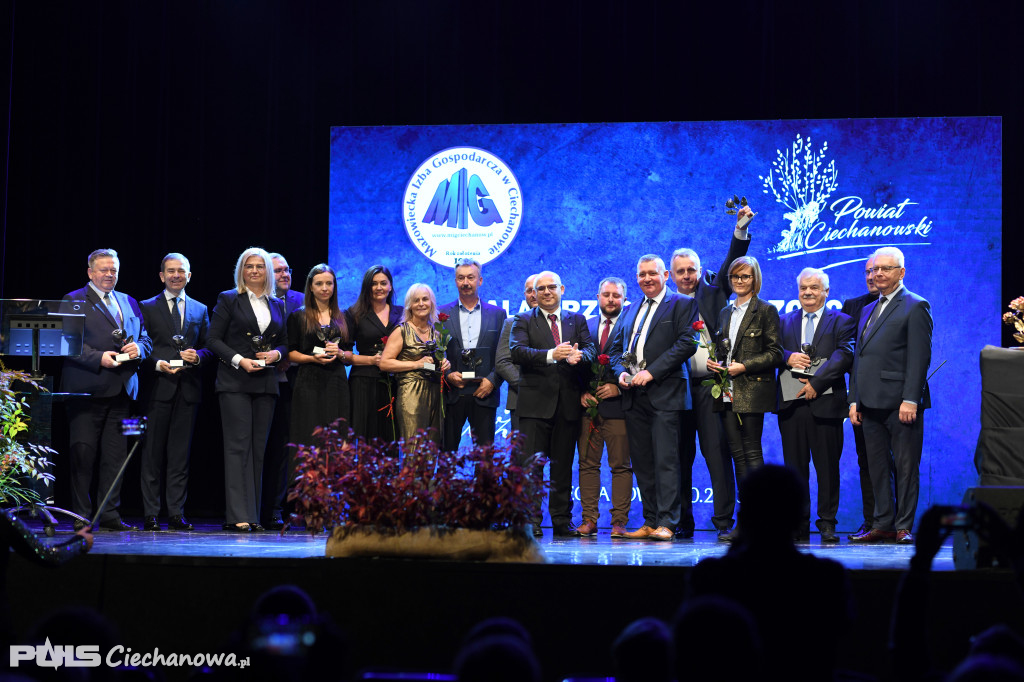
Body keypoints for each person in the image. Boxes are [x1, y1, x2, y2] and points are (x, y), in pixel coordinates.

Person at [688, 465, 853, 682]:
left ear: (743, 516)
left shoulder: (711, 577)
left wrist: (736, 550)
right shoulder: (827, 578)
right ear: (799, 517)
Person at [670, 204, 753, 540]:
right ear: (671, 275)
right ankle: (681, 521)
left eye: (692, 269)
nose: (687, 275)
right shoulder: (663, 303)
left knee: (716, 455)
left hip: (709, 387)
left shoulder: (715, 289)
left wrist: (740, 230)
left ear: (700, 270)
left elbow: (733, 259)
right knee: (678, 457)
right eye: (681, 271)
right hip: (674, 388)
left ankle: (723, 523)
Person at [61, 248, 152, 531]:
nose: (109, 275)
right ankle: (81, 517)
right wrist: (98, 358)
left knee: (116, 458)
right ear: (90, 272)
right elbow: (66, 342)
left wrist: (140, 347)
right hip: (86, 392)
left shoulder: (129, 301)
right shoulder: (73, 300)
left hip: (124, 392)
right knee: (83, 456)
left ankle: (110, 514)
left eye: (113, 270)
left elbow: (146, 339)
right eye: (103, 270)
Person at [608, 255, 698, 541]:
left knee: (666, 461)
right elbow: (614, 350)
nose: (646, 278)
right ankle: (650, 521)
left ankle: (668, 523)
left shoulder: (683, 304)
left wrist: (653, 372)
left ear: (666, 276)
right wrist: (621, 373)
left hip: (666, 393)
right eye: (641, 274)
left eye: (652, 273)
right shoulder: (630, 308)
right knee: (643, 462)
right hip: (634, 396)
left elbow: (687, 343)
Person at [849, 246, 933, 544]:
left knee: (906, 466)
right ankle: (882, 522)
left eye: (884, 268)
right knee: (877, 467)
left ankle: (903, 526)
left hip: (901, 403)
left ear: (901, 272)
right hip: (868, 403)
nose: (877, 274)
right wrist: (854, 399)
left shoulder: (915, 305)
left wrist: (911, 398)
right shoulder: (867, 309)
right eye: (873, 270)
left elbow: (919, 358)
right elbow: (859, 357)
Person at [207, 247, 288, 532]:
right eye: (248, 266)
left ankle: (253, 515)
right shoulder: (229, 299)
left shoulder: (277, 304)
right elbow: (213, 340)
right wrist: (240, 360)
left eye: (259, 266)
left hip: (266, 384)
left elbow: (285, 343)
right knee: (238, 447)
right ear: (241, 270)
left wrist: (276, 355)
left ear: (267, 270)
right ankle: (237, 515)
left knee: (258, 450)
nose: (254, 270)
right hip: (235, 382)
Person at [510, 270, 593, 536]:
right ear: (533, 293)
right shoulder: (523, 320)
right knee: (531, 468)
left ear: (562, 289)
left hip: (568, 406)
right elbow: (516, 352)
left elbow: (591, 350)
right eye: (541, 288)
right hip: (534, 407)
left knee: (562, 467)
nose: (546, 292)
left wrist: (581, 356)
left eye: (551, 287)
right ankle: (531, 521)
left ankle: (560, 520)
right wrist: (550, 354)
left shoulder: (577, 320)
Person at [776, 267, 855, 542]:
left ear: (826, 292)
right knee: (794, 470)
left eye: (814, 288)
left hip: (827, 404)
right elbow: (772, 350)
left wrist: (816, 384)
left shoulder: (842, 321)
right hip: (791, 405)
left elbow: (844, 355)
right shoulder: (783, 320)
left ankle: (827, 523)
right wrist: (787, 357)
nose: (808, 292)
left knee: (827, 468)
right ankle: (797, 524)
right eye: (803, 288)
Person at [138, 252, 212, 532]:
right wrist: (157, 363)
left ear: (189, 276)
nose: (176, 275)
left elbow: (209, 346)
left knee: (180, 457)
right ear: (162, 276)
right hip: (157, 388)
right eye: (171, 271)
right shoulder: (145, 307)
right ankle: (150, 514)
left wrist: (199, 357)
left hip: (188, 390)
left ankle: (176, 513)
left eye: (181, 271)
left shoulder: (200, 309)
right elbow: (140, 346)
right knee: (152, 455)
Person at [707, 256, 782, 492]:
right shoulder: (725, 312)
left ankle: (763, 519)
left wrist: (744, 366)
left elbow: (775, 353)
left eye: (745, 276)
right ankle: (748, 516)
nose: (739, 280)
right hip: (726, 390)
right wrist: (715, 363)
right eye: (735, 276)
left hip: (752, 390)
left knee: (751, 451)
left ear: (755, 279)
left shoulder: (766, 310)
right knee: (737, 454)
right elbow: (723, 350)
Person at [577, 276, 632, 538]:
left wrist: (619, 387)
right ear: (598, 297)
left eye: (616, 296)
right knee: (587, 465)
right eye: (606, 295)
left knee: (620, 466)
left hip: (619, 408)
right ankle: (589, 519)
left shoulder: (633, 326)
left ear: (624, 299)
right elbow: (573, 368)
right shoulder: (584, 326)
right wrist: (581, 393)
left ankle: (619, 522)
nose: (611, 300)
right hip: (588, 410)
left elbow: (637, 364)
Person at [440, 258, 507, 449]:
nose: (466, 282)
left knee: (485, 459)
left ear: (480, 280)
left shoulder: (498, 314)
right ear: (455, 281)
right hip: (452, 393)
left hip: (484, 392)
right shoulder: (440, 314)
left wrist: (493, 381)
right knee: (446, 456)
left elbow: (504, 355)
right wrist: (446, 375)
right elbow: (434, 354)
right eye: (460, 278)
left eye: (470, 277)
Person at [841, 255, 885, 539]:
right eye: (868, 271)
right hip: (861, 398)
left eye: (878, 271)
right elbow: (848, 354)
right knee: (866, 461)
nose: (872, 276)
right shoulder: (852, 307)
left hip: (893, 398)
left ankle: (895, 522)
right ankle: (871, 521)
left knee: (894, 462)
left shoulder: (907, 305)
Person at [287, 264, 353, 450]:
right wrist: (312, 358)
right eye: (319, 283)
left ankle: (335, 478)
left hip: (337, 382)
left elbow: (349, 353)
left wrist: (339, 352)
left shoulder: (344, 316)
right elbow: (291, 353)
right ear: (310, 286)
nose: (325, 288)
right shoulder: (298, 316)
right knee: (309, 436)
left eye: (329, 283)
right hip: (308, 381)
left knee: (337, 436)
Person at [262, 252, 305, 529]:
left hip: (299, 384)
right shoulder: (259, 300)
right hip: (265, 382)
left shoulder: (303, 300)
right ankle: (270, 507)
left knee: (293, 447)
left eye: (287, 269)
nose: (284, 275)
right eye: (277, 271)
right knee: (272, 448)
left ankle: (294, 507)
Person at [379, 283, 450, 445]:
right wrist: (417, 364)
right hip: (411, 393)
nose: (421, 304)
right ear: (409, 306)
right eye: (416, 300)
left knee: (431, 450)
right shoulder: (401, 330)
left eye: (425, 299)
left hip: (435, 394)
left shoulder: (436, 331)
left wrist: (445, 364)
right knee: (413, 449)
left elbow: (437, 363)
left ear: (432, 302)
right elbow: (384, 363)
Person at [346, 265, 403, 441]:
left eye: (383, 283)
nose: (379, 287)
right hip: (363, 382)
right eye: (374, 283)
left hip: (394, 382)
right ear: (367, 287)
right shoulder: (353, 313)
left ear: (391, 286)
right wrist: (372, 360)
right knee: (364, 437)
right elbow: (346, 356)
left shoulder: (401, 313)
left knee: (391, 437)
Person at [495, 274, 538, 433]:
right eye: (529, 291)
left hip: (557, 402)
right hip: (521, 400)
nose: (533, 295)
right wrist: (527, 388)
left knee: (556, 456)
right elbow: (502, 362)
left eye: (537, 289)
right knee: (523, 456)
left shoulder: (564, 322)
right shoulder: (511, 323)